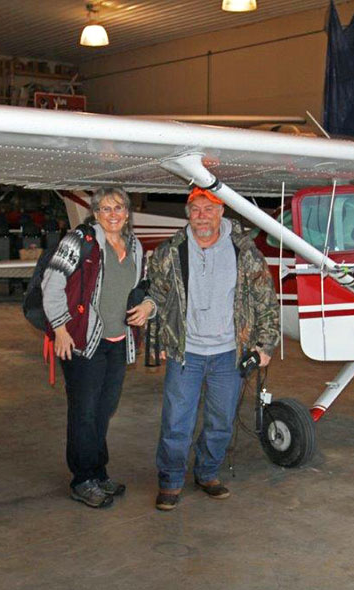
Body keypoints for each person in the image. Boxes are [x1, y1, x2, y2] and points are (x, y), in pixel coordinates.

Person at [148, 186, 280, 511]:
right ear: (187, 214)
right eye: (195, 209)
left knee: (220, 421)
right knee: (177, 421)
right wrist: (160, 343)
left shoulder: (244, 251)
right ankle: (171, 481)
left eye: (209, 209)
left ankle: (207, 472)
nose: (202, 216)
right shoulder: (171, 250)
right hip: (186, 352)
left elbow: (266, 298)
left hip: (228, 354)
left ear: (222, 212)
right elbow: (155, 297)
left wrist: (264, 345)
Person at [41, 188, 155, 509]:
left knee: (104, 411)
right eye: (105, 209)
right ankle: (82, 479)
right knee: (84, 412)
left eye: (118, 207)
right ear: (95, 213)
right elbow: (52, 282)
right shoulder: (79, 241)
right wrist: (61, 329)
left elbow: (143, 287)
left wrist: (147, 304)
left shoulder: (135, 246)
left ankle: (98, 471)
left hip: (118, 343)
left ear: (128, 212)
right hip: (84, 343)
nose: (113, 214)